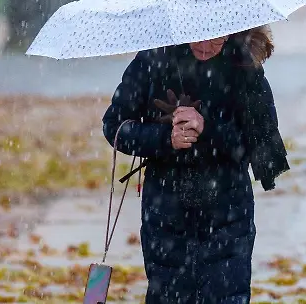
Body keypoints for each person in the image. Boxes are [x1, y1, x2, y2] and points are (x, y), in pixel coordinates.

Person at [103, 26, 289, 304]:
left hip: (227, 212)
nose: (204, 45)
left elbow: (261, 145)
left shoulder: (243, 67)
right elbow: (114, 127)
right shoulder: (154, 59)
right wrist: (165, 138)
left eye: (215, 36)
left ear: (232, 31)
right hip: (165, 211)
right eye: (197, 34)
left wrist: (208, 129)